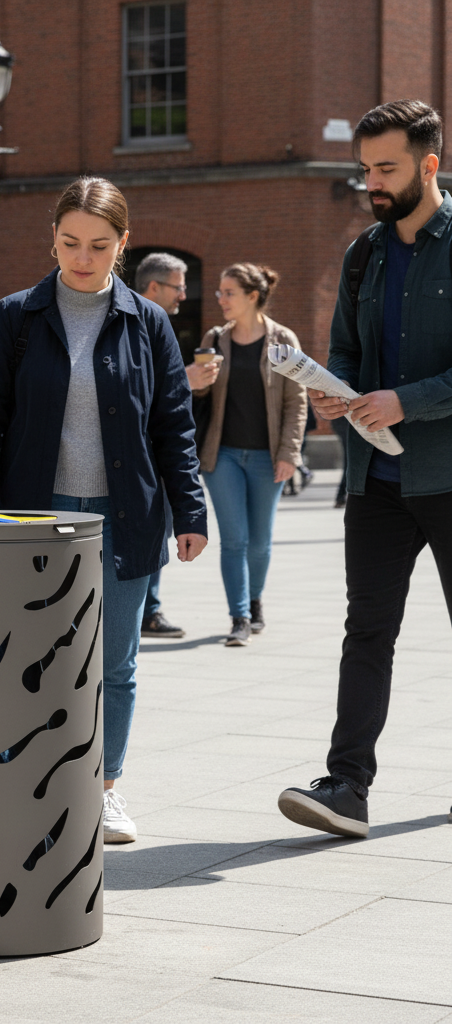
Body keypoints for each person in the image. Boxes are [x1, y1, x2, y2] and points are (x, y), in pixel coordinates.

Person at [0, 177, 208, 845]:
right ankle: (31, 785)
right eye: (70, 242)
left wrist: (190, 510)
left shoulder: (148, 322)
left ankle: (105, 788)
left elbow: (173, 425)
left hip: (124, 514)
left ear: (123, 244)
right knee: (29, 658)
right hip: (34, 516)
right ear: (53, 238)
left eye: (99, 245)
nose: (82, 257)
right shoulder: (16, 317)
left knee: (115, 664)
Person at [278, 100, 452, 838]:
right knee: (367, 632)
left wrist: (405, 401)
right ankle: (347, 786)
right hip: (376, 480)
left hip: (450, 475)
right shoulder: (363, 253)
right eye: (365, 169)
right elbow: (345, 350)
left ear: (429, 165)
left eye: (386, 168)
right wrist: (334, 391)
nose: (371, 183)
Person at [194, 264, 307, 647]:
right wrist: (198, 382)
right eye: (219, 292)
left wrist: (289, 453)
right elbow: (199, 396)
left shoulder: (283, 339)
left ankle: (255, 600)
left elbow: (296, 401)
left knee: (260, 542)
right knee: (234, 540)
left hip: (267, 456)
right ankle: (239, 617)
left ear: (252, 296)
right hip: (221, 455)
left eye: (229, 293)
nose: (221, 299)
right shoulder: (215, 338)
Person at [134, 252, 221, 639]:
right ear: (154, 287)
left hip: (159, 455)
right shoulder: (133, 323)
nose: (184, 295)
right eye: (178, 287)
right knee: (148, 534)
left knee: (156, 532)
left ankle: (147, 609)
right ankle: (146, 611)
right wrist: (185, 380)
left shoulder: (157, 325)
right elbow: (134, 394)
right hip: (138, 457)